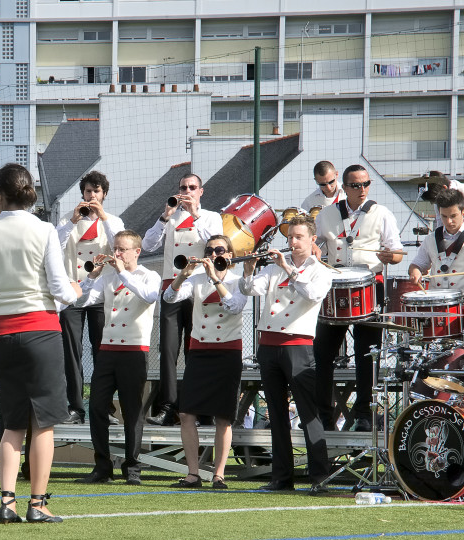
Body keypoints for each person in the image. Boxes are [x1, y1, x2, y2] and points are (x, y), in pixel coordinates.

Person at [0, 163, 80, 523]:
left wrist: (1, 299)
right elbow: (61, 289)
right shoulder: (45, 230)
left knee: (12, 422)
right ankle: (38, 504)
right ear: (30, 192)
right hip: (41, 331)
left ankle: (6, 501)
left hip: (1, 334)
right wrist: (76, 291)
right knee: (43, 422)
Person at [239, 215, 333, 494]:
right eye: (290, 237)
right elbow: (249, 289)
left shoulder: (320, 270)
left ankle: (320, 477)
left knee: (308, 414)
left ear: (312, 239)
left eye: (298, 237)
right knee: (276, 414)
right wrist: (249, 269)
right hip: (268, 345)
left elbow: (313, 294)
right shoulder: (274, 269)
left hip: (298, 346)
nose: (292, 242)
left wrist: (288, 269)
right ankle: (281, 478)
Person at [314, 164, 402, 432]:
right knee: (322, 354)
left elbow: (397, 252)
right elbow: (315, 246)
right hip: (334, 286)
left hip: (368, 286)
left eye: (366, 184)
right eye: (355, 185)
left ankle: (364, 412)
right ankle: (323, 414)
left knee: (367, 353)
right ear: (344, 187)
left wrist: (391, 257)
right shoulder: (326, 214)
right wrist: (314, 253)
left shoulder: (382, 213)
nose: (361, 190)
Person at [164, 234, 248, 490]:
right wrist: (183, 274)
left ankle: (219, 474)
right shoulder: (197, 279)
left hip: (227, 352)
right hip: (200, 350)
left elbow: (234, 307)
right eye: (210, 250)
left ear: (230, 255)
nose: (213, 254)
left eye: (219, 250)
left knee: (223, 416)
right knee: (187, 412)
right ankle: (193, 473)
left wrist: (215, 278)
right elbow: (169, 298)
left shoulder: (239, 281)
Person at [76, 230, 160, 485]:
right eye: (116, 249)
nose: (118, 254)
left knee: (132, 411)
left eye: (123, 249)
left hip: (134, 351)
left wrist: (123, 272)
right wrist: (92, 276)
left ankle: (132, 468)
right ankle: (102, 466)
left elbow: (149, 296)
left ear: (137, 251)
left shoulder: (149, 276)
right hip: (108, 350)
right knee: (97, 407)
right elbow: (82, 301)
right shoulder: (109, 276)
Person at [141, 172, 222, 427]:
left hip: (197, 286)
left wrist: (195, 214)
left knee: (194, 349)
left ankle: (196, 407)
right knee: (167, 348)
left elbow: (216, 243)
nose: (187, 191)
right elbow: (148, 245)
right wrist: (164, 216)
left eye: (192, 187)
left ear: (201, 191)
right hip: (171, 286)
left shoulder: (211, 217)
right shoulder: (171, 217)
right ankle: (167, 407)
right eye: (183, 188)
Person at [55, 170, 125, 424]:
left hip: (101, 296)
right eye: (88, 191)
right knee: (71, 355)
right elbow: (55, 247)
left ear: (104, 194)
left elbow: (120, 242)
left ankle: (104, 407)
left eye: (96, 191)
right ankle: (75, 408)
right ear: (82, 194)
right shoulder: (67, 220)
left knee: (102, 354)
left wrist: (103, 215)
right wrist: (73, 221)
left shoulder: (112, 221)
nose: (91, 195)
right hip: (72, 295)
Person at [409, 188, 464, 328]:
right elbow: (417, 264)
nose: (449, 221)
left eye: (453, 216)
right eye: (444, 216)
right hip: (436, 306)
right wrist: (415, 271)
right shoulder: (431, 239)